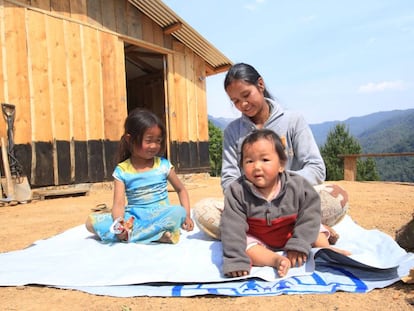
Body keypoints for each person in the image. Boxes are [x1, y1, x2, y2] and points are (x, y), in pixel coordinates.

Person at [193, 63, 347, 240]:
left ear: (260, 84)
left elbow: (316, 167)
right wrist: (254, 194)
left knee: (338, 196)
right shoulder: (233, 131)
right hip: (251, 206)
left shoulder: (293, 121)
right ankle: (306, 229)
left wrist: (280, 187)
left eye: (246, 95)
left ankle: (261, 235)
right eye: (235, 101)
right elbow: (229, 178)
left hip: (293, 201)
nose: (243, 104)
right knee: (202, 211)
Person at [220, 129, 350, 278]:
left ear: (281, 164)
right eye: (249, 161)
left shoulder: (298, 186)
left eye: (265, 160)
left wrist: (299, 244)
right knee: (248, 247)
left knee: (315, 232)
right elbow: (232, 228)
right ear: (242, 166)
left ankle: (328, 252)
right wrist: (236, 260)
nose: (256, 166)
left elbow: (309, 215)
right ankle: (276, 260)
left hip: (293, 231)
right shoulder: (236, 192)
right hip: (259, 236)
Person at [85, 108, 194, 244]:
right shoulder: (122, 170)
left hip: (160, 214)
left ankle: (138, 235)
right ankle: (157, 235)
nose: (154, 146)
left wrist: (188, 216)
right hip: (134, 217)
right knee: (91, 222)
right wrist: (120, 225)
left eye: (158, 141)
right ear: (130, 139)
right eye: (149, 140)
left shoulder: (163, 166)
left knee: (179, 212)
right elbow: (118, 204)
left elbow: (181, 190)